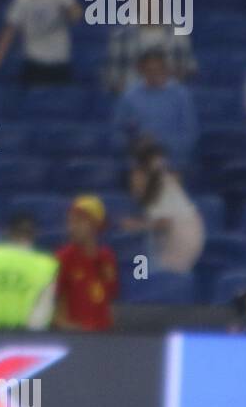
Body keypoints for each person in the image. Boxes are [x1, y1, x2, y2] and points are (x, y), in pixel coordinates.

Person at [110, 49, 200, 175]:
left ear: (167, 69)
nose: (154, 74)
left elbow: (190, 137)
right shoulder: (129, 97)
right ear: (140, 70)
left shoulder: (182, 96)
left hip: (174, 164)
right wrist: (136, 144)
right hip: (138, 163)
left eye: (158, 70)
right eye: (149, 70)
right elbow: (117, 136)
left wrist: (158, 142)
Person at [120, 145, 205, 274]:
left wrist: (136, 225)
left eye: (137, 173)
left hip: (183, 239)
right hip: (185, 236)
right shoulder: (161, 181)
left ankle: (144, 280)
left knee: (146, 252)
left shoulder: (161, 184)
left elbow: (164, 222)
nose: (134, 179)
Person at [0, 213, 58, 330]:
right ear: (34, 234)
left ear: (8, 232)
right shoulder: (47, 265)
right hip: (24, 338)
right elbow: (42, 312)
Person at [54, 195, 118, 332]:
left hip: (104, 337)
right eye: (70, 222)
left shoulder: (108, 258)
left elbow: (110, 302)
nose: (72, 227)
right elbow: (54, 307)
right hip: (76, 337)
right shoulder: (63, 258)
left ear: (95, 225)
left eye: (78, 222)